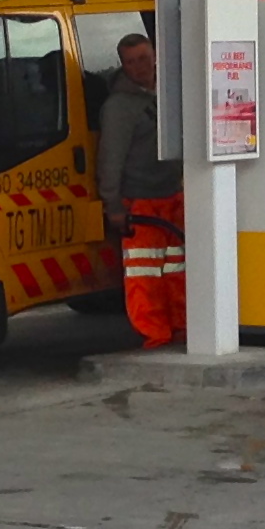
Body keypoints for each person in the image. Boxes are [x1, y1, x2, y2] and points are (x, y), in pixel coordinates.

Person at [95, 32, 186, 347]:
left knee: (178, 270)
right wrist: (114, 206)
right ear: (122, 65)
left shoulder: (170, 92)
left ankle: (181, 326)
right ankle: (154, 333)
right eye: (131, 62)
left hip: (174, 197)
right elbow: (110, 159)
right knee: (143, 275)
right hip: (141, 205)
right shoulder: (119, 107)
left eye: (144, 58)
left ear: (156, 56)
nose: (139, 67)